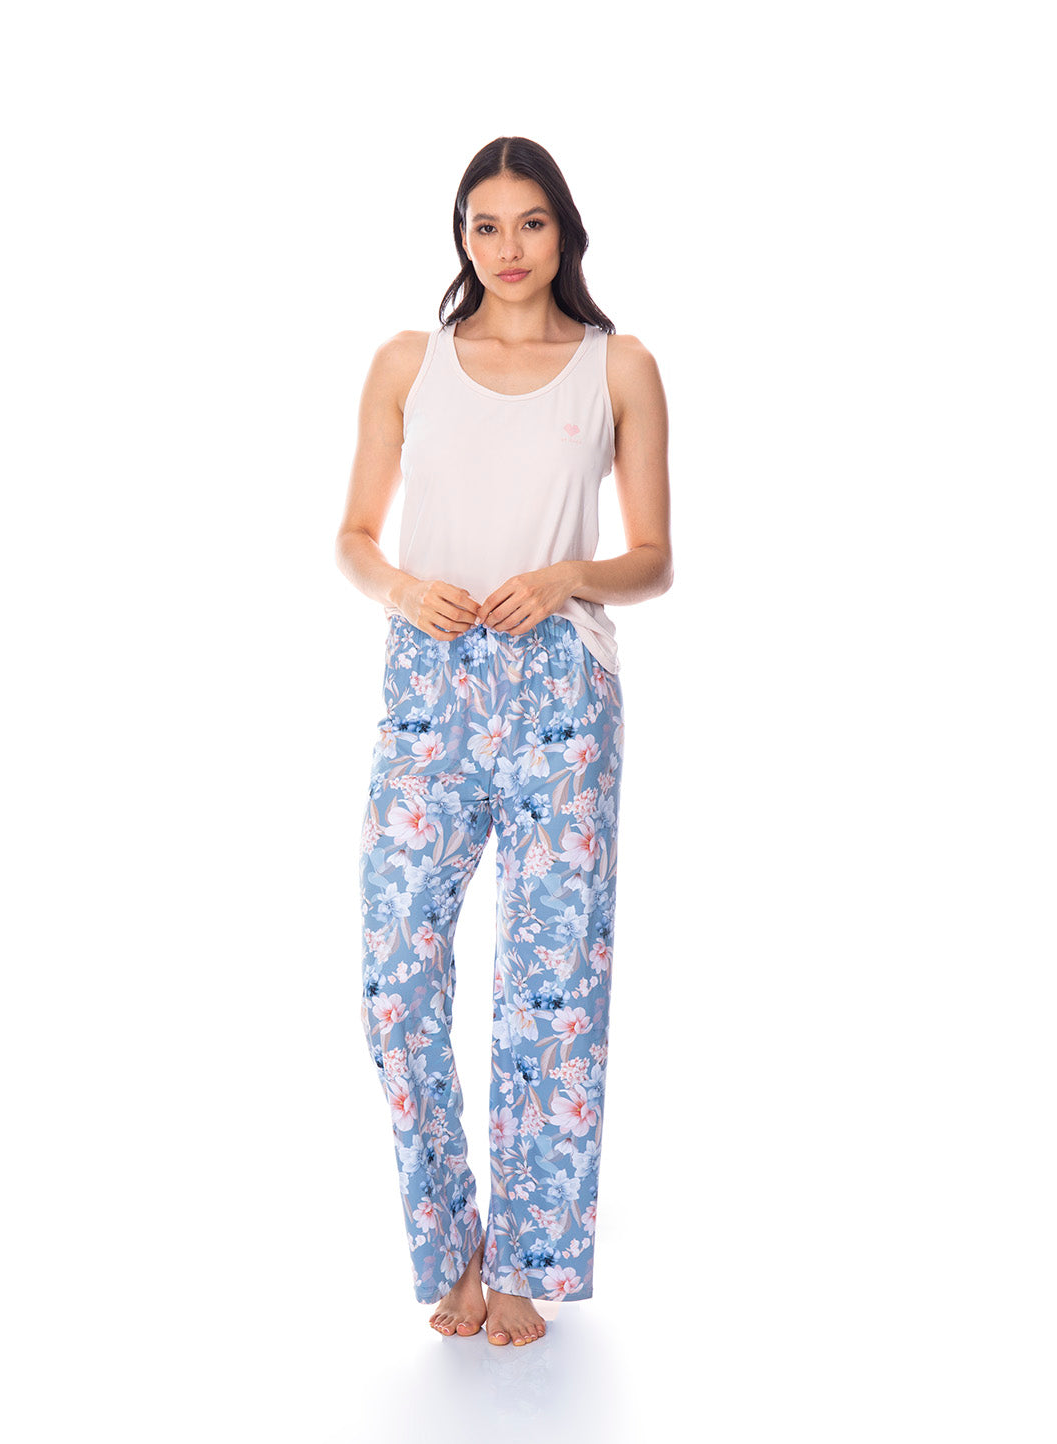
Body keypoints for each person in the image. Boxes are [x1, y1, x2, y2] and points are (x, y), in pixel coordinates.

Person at [335, 136, 673, 1347]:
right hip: (430, 678)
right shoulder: (408, 362)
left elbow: (655, 559)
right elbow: (354, 536)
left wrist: (569, 574)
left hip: (561, 689)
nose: (509, 246)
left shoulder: (617, 366)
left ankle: (527, 1262)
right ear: (461, 234)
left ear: (564, 230)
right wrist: (399, 589)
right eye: (486, 224)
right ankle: (454, 1245)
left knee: (552, 986)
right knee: (395, 977)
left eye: (531, 222)